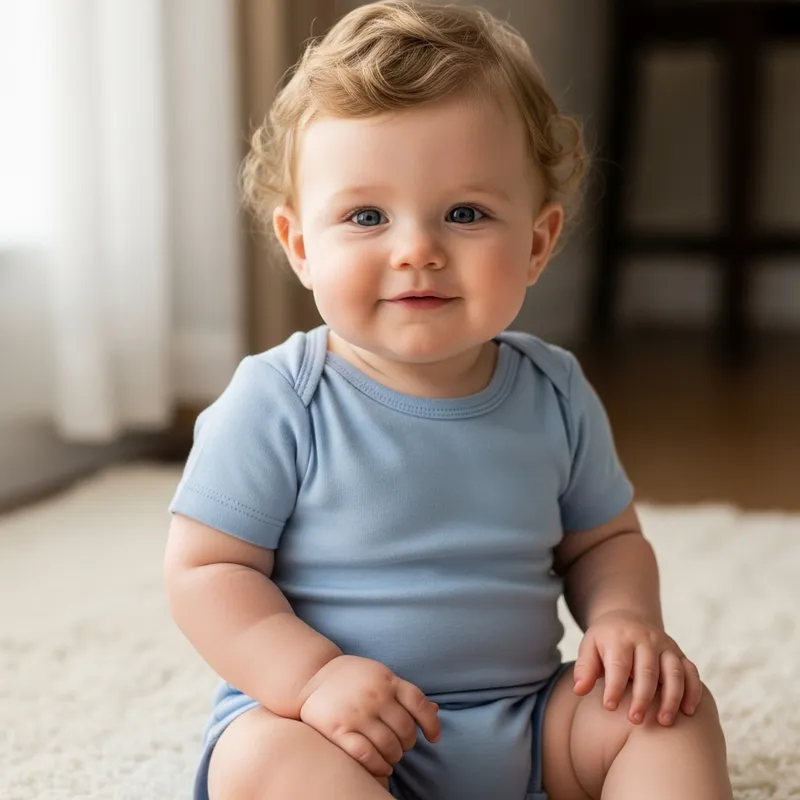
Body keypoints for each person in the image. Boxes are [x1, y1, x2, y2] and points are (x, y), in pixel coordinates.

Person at [164, 2, 733, 798]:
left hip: (533, 727)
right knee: (264, 761)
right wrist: (312, 679)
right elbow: (207, 569)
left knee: (670, 710)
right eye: (366, 216)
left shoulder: (554, 390)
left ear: (536, 243)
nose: (417, 250)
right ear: (301, 247)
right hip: (337, 735)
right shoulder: (279, 398)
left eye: (465, 213)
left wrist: (622, 621)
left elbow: (605, 543)